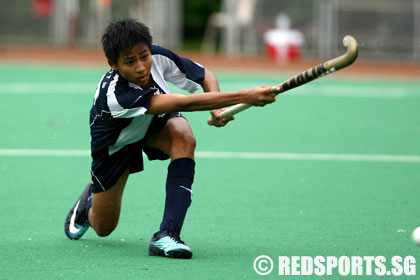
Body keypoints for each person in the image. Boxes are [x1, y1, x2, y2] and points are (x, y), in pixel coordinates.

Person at [64, 19, 279, 259]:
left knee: (183, 136)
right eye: (130, 62)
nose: (141, 67)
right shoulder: (115, 96)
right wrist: (246, 95)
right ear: (113, 64)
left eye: (144, 56)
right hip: (118, 143)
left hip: (154, 124)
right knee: (104, 228)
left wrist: (216, 107)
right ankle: (88, 203)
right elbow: (182, 102)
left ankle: (167, 234)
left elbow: (204, 75)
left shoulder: (156, 56)